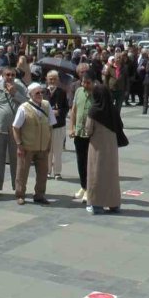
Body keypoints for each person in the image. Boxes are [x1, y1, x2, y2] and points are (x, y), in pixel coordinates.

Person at [12, 83, 56, 205]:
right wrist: (19, 144)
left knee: (43, 173)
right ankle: (20, 195)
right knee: (22, 172)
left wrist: (49, 143)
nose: (40, 95)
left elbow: (50, 126)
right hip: (27, 146)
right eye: (37, 93)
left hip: (43, 146)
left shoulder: (47, 105)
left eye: (42, 92)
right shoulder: (24, 108)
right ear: (30, 94)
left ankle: (39, 195)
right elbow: (15, 127)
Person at [0, 67, 26, 195]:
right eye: (7, 74)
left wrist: (15, 93)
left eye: (12, 74)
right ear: (3, 76)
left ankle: (17, 186)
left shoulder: (20, 88)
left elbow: (27, 103)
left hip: (15, 129)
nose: (10, 77)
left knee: (16, 158)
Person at [85, 82, 124, 214]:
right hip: (112, 147)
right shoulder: (112, 109)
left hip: (97, 147)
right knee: (111, 175)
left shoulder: (94, 110)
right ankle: (114, 204)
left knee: (96, 174)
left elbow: (88, 130)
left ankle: (96, 204)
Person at [69, 73, 94, 202]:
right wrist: (71, 127)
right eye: (83, 82)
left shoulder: (97, 93)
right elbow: (74, 110)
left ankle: (90, 189)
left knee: (90, 163)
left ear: (94, 82)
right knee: (81, 162)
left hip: (92, 135)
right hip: (79, 133)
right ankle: (83, 186)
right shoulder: (79, 91)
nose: (85, 85)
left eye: (88, 83)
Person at [46, 71, 68, 179]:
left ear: (58, 80)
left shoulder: (62, 92)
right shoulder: (42, 92)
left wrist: (58, 112)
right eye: (50, 79)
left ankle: (57, 172)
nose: (52, 81)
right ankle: (48, 170)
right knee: (47, 150)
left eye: (54, 79)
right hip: (46, 126)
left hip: (59, 125)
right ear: (47, 79)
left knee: (58, 150)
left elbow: (66, 108)